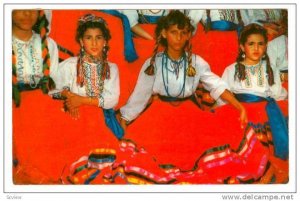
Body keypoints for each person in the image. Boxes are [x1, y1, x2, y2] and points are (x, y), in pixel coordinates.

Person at [120, 10, 247, 130]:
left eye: (183, 33)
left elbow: (217, 85)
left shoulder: (197, 62)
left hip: (189, 113)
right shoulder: (154, 63)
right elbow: (141, 94)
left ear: (188, 35)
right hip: (160, 114)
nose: (178, 37)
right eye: (174, 32)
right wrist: (125, 118)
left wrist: (239, 106)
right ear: (164, 33)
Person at [220, 23, 288, 160]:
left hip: (263, 113)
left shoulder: (269, 68)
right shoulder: (232, 69)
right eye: (251, 44)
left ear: (265, 47)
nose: (256, 48)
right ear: (242, 47)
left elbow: (277, 93)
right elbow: (224, 95)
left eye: (260, 44)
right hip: (240, 111)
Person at [51, 14, 123, 139]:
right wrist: (68, 95)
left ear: (105, 41)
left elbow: (112, 99)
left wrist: (81, 100)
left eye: (99, 38)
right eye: (89, 38)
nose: (94, 43)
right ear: (81, 41)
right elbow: (50, 89)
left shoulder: (111, 68)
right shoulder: (71, 65)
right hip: (76, 117)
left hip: (103, 120)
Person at [12, 9, 59, 107]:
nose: (27, 13)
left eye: (33, 8)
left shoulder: (49, 44)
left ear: (40, 13)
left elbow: (54, 86)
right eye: (21, 6)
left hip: (41, 108)